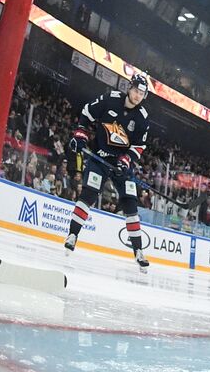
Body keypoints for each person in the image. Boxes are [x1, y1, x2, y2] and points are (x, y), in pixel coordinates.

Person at [63, 72, 153, 270]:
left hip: (121, 166)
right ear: (129, 88)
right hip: (99, 159)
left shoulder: (142, 118)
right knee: (88, 194)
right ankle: (73, 235)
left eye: (142, 93)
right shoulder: (110, 100)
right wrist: (80, 134)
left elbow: (139, 147)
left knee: (130, 203)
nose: (138, 95)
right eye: (136, 90)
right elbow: (87, 113)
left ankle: (138, 250)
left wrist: (126, 160)